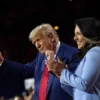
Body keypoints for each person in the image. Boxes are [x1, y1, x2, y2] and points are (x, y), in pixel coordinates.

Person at [0, 23, 80, 100]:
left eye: (38, 40)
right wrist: (2, 61)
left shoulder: (72, 54)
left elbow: (79, 88)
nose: (37, 45)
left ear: (51, 37)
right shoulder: (40, 56)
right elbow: (24, 70)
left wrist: (62, 72)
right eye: (34, 43)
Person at [46, 17, 100, 100]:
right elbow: (77, 92)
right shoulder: (90, 54)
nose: (75, 38)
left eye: (78, 33)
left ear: (88, 33)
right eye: (75, 34)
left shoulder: (95, 52)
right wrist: (62, 76)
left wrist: (63, 71)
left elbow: (84, 85)